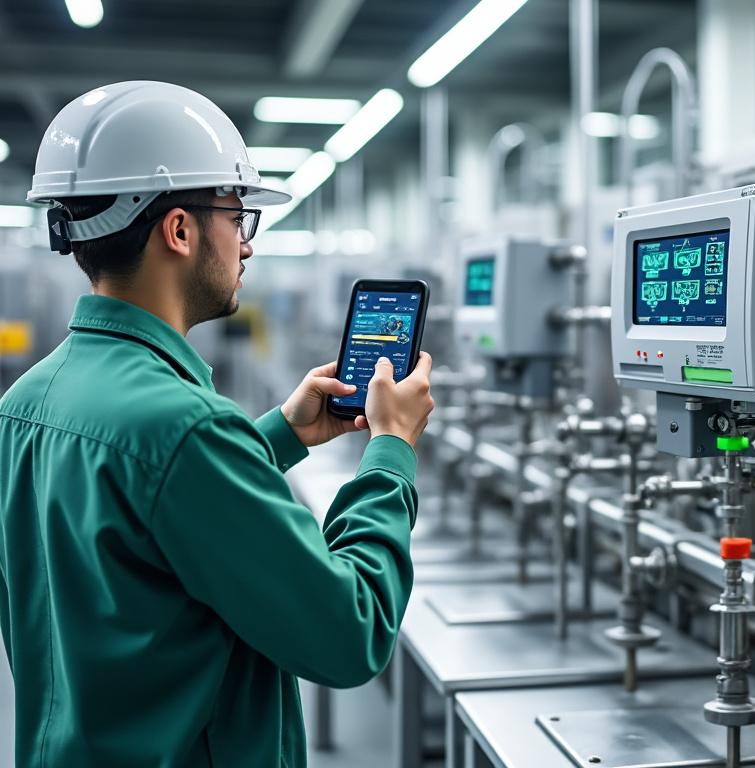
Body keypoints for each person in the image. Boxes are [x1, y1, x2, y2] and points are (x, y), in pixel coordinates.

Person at [0, 81, 433, 767]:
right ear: (178, 228)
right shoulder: (188, 429)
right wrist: (390, 449)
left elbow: (134, 516)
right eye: (238, 218)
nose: (248, 247)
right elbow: (351, 632)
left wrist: (282, 434)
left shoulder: (25, 403)